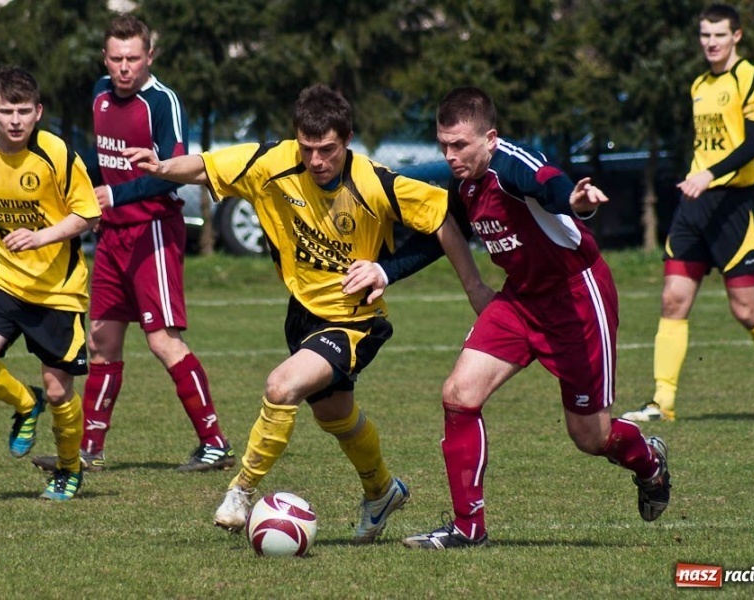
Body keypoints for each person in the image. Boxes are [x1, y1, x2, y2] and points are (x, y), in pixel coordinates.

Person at [122, 83, 491, 544]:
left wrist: (471, 285)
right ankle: (381, 491)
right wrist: (163, 167)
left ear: (348, 139)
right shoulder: (273, 163)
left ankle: (239, 490)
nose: (317, 161)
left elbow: (440, 218)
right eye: (308, 148)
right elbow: (206, 166)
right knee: (336, 416)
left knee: (282, 385)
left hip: (355, 322)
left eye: (328, 150)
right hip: (303, 315)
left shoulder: (374, 182)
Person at [387, 86, 672, 550]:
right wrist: (384, 270)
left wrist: (577, 200)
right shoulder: (463, 183)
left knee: (590, 435)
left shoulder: (510, 163)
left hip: (576, 299)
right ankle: (468, 528)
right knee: (459, 395)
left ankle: (648, 462)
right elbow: (436, 235)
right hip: (520, 301)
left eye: (459, 145)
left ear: (490, 138)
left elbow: (549, 183)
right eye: (443, 144)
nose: (450, 155)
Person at [31, 15, 235, 474]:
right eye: (117, 58)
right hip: (112, 234)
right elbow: (102, 164)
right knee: (102, 340)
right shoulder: (100, 93)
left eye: (133, 59)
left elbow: (176, 171)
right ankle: (90, 449)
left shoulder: (162, 103)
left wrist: (116, 194)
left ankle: (215, 443)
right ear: (106, 58)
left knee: (163, 341)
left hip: (153, 231)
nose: (124, 67)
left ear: (149, 57)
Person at [621, 4, 754, 424]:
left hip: (732, 206)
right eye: (705, 35)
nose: (711, 42)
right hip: (695, 205)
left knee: (745, 309)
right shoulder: (699, 84)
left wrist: (710, 175)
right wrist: (698, 179)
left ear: (736, 36)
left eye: (719, 34)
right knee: (672, 301)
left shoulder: (753, 80)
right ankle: (661, 403)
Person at [0, 66, 101, 501]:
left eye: (23, 111)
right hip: (3, 280)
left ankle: (69, 469)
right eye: (6, 111)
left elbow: (89, 214)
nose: (15, 120)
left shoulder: (56, 154)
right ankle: (24, 403)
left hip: (57, 289)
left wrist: (42, 236)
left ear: (38, 112)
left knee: (61, 391)